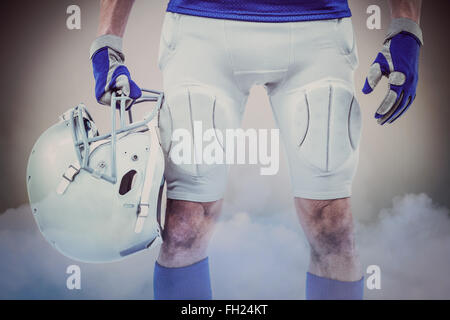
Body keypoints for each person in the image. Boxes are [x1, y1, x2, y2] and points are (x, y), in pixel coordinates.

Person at [90, 0, 423, 300]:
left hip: (318, 30)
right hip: (201, 29)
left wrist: (406, 24)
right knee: (184, 227)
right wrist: (108, 40)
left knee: (332, 224)